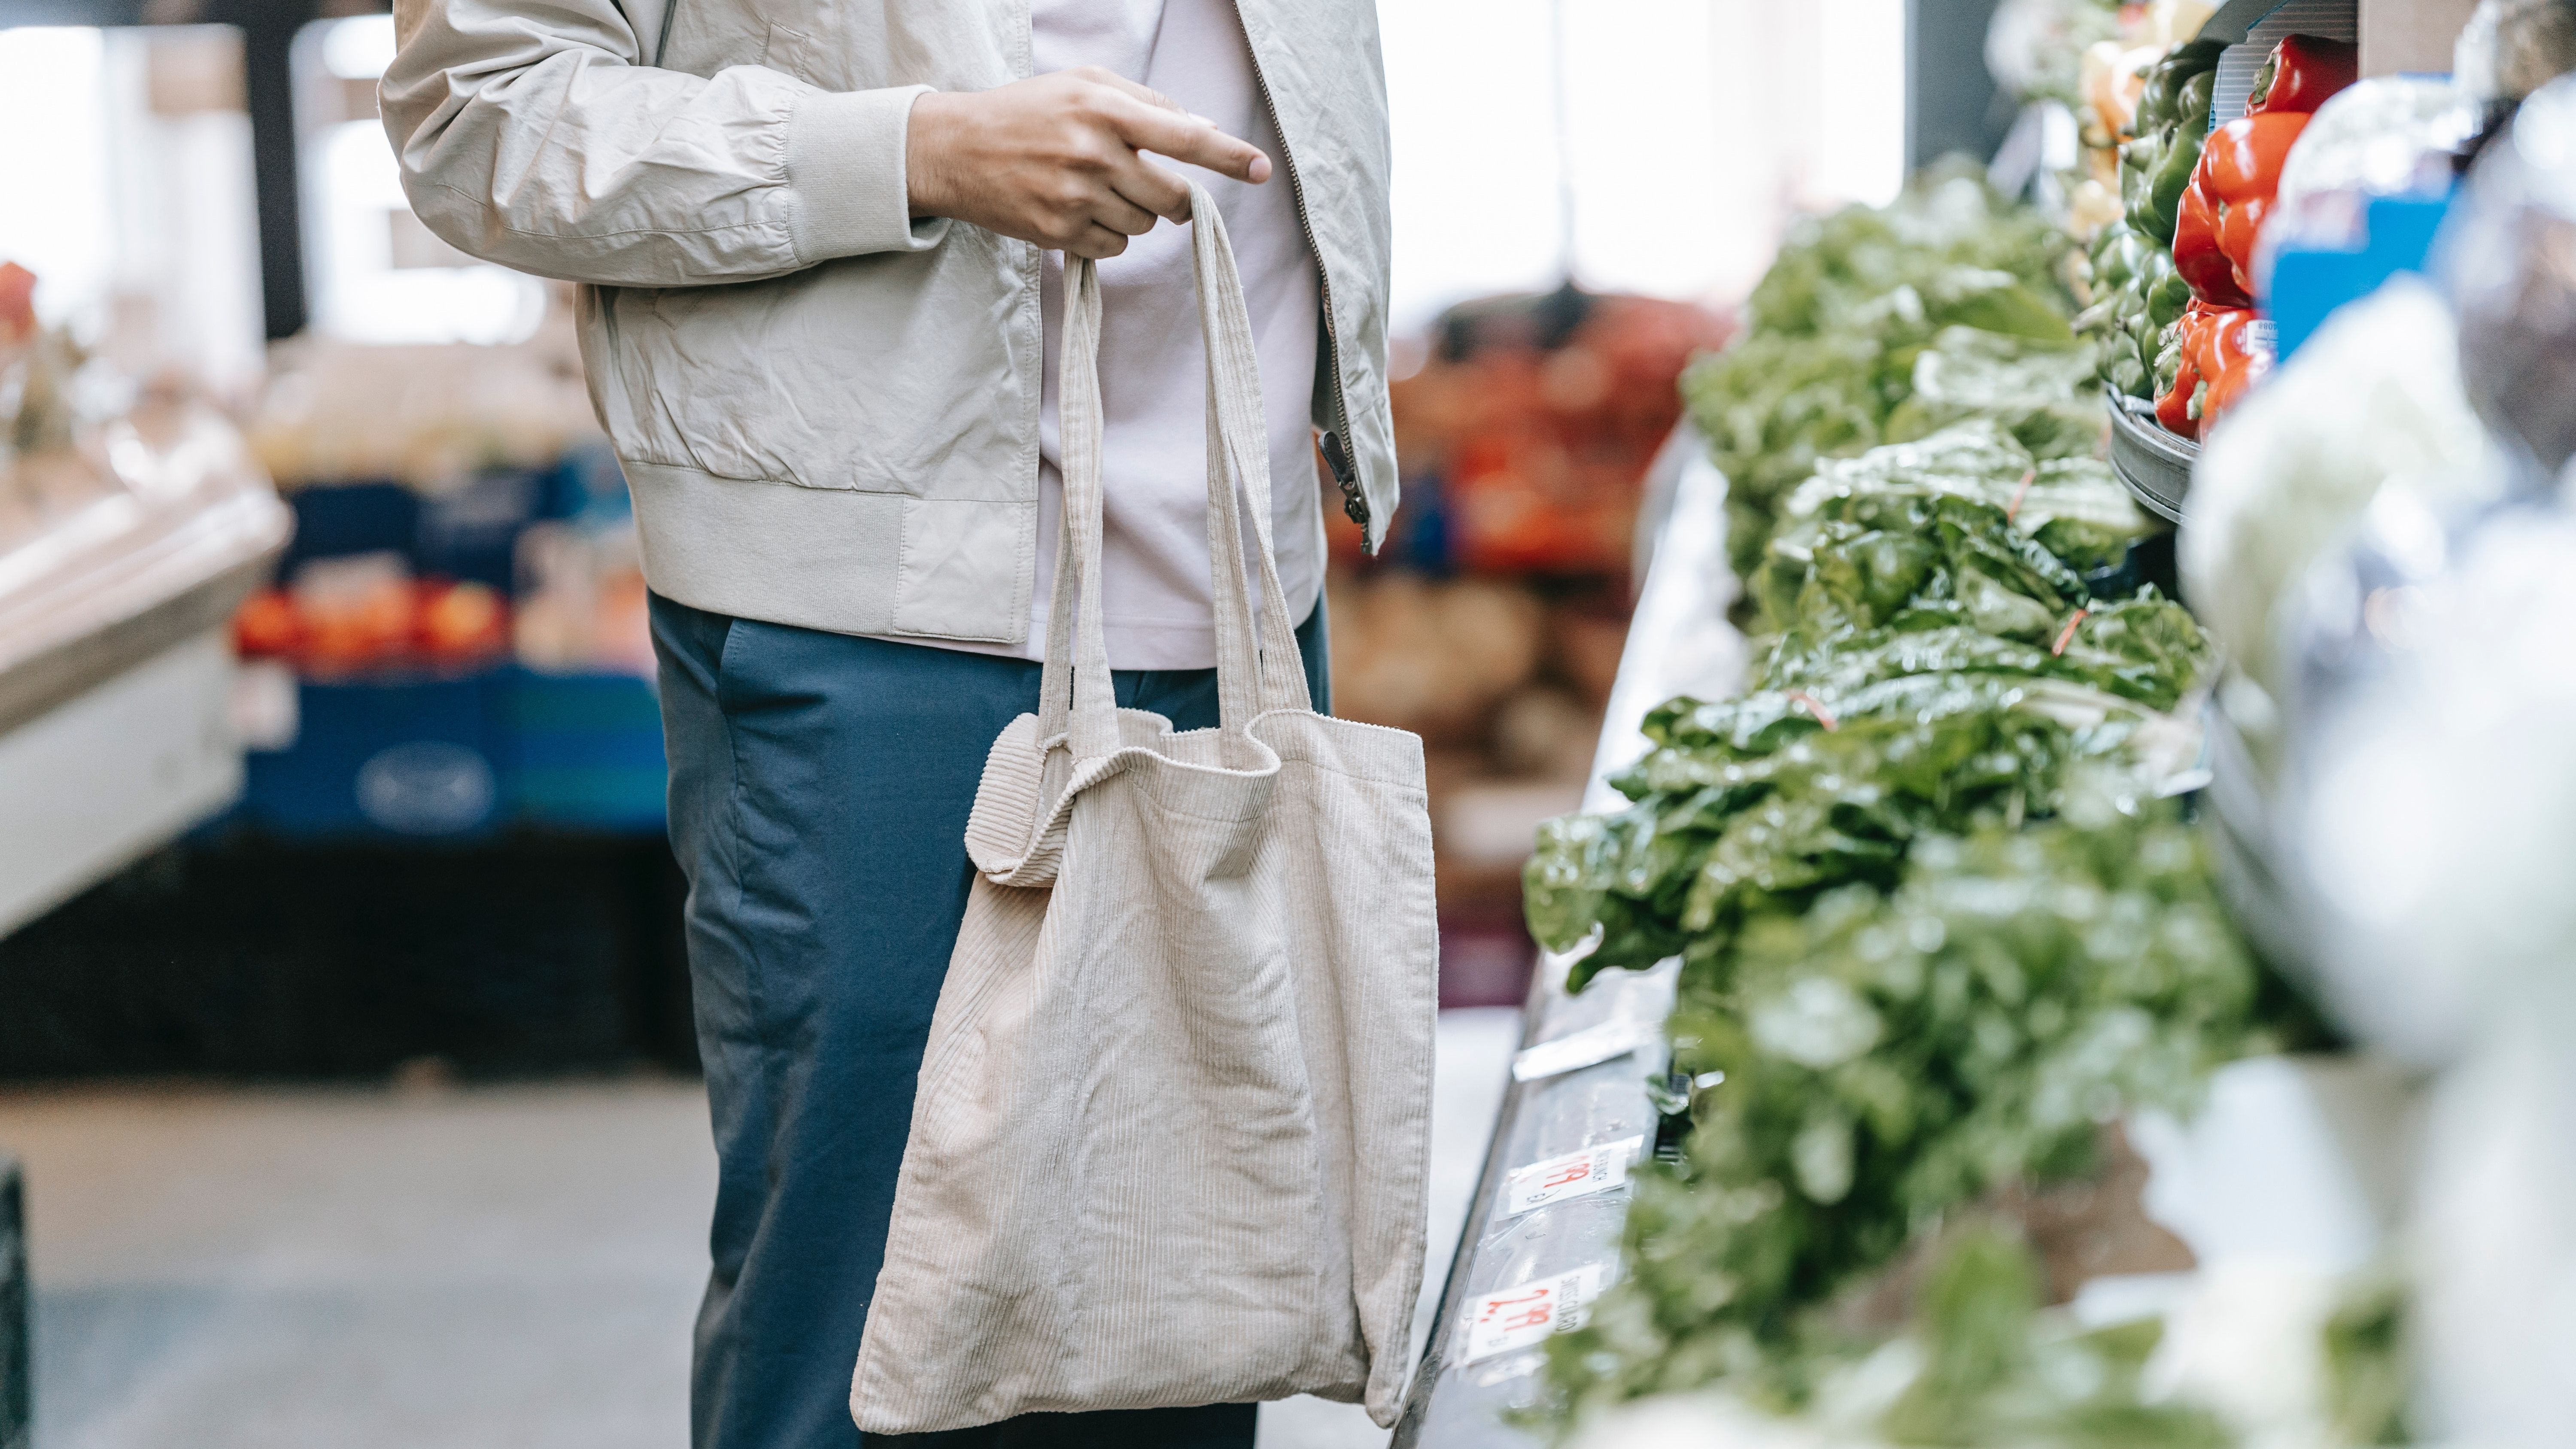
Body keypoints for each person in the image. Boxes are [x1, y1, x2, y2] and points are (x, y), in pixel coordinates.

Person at [380, 0, 1394, 1445]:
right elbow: (476, 111)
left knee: (1177, 1329)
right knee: (860, 1339)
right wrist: (909, 152)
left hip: (1234, 591)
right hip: (876, 621)